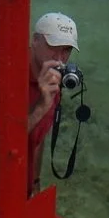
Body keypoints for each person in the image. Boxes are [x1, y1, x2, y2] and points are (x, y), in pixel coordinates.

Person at [27, 11, 79, 196]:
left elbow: (37, 140)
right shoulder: (9, 75)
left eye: (67, 49)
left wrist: (34, 182)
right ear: (35, 40)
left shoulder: (53, 78)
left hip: (25, 184)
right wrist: (41, 105)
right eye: (53, 46)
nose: (60, 57)